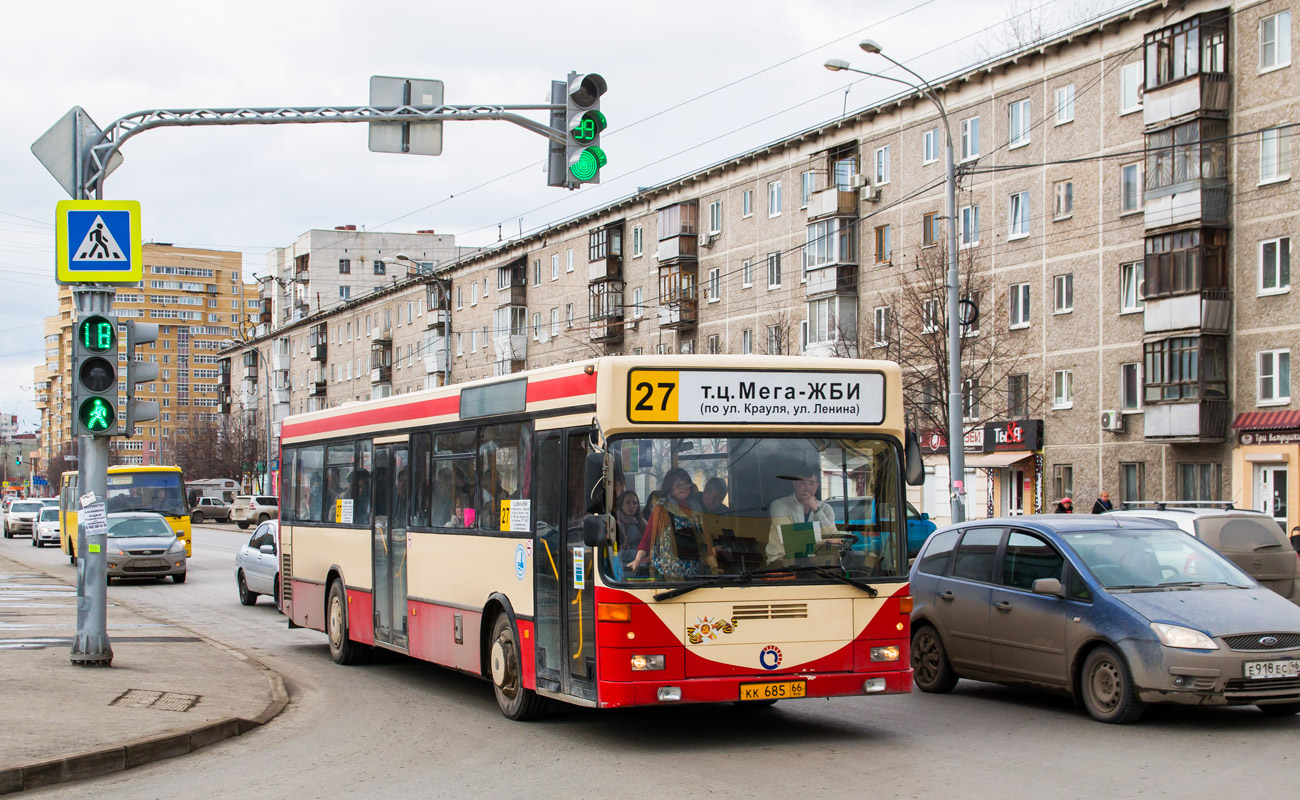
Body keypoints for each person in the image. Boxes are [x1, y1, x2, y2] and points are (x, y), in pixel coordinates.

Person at [628, 468, 715, 580]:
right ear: (671, 488)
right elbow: (648, 537)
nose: (684, 488)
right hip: (668, 574)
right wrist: (637, 560)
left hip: (695, 572)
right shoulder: (662, 507)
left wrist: (713, 565)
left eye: (686, 484)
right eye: (679, 485)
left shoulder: (696, 507)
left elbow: (705, 539)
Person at [766, 463, 842, 563]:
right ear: (795, 484)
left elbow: (834, 538)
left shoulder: (826, 508)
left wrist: (817, 510)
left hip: (817, 561)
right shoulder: (779, 505)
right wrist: (825, 541)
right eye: (802, 483)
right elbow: (789, 540)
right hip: (782, 560)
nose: (807, 488)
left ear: (817, 485)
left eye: (811, 483)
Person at [614, 491, 645, 573]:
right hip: (625, 568)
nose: (632, 506)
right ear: (621, 505)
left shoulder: (642, 522)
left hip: (644, 567)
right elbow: (618, 554)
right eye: (628, 502)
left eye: (635, 503)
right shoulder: (616, 524)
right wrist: (642, 554)